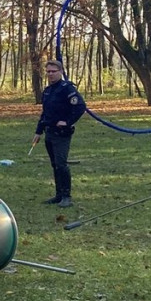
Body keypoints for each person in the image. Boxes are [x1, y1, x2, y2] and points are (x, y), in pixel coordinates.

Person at [33, 60, 86, 208]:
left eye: (53, 71)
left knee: (62, 164)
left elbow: (80, 106)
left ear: (61, 72)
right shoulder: (48, 91)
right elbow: (45, 113)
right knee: (55, 165)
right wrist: (38, 131)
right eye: (48, 71)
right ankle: (59, 195)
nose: (50, 74)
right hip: (49, 132)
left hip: (62, 134)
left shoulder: (66, 89)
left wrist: (68, 122)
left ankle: (67, 196)